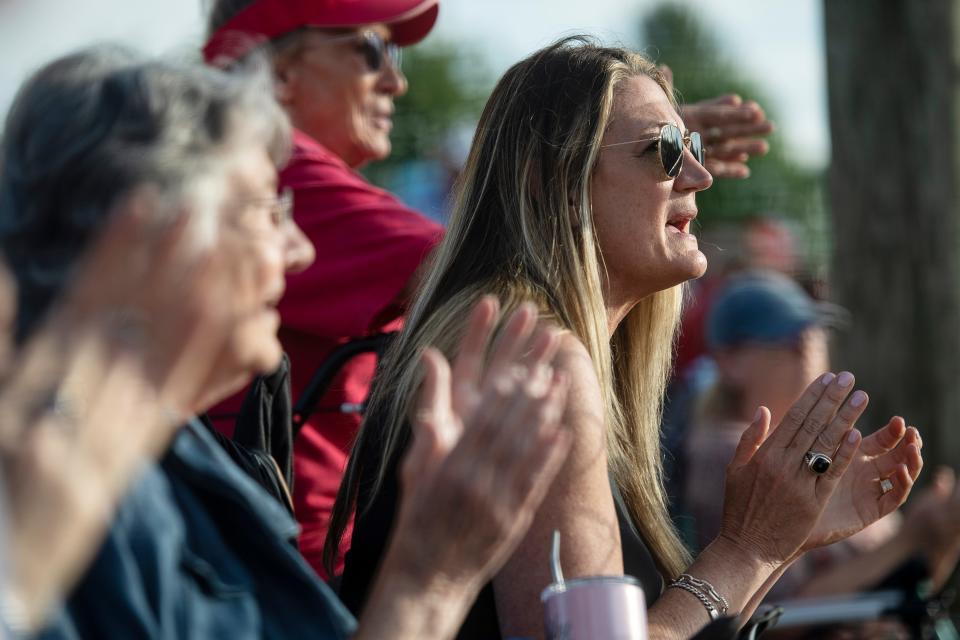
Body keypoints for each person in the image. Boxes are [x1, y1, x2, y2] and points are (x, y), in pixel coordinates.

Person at [330, 37, 924, 640]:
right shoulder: (541, 359)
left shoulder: (512, 341)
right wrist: (748, 547)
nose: (699, 173)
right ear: (553, 181)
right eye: (663, 150)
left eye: (690, 145)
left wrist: (778, 541)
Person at [1, 45, 571, 640]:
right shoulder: (61, 483)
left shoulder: (162, 454)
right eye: (268, 211)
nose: (298, 250)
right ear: (152, 236)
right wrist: (429, 578)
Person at [201, 0, 778, 580]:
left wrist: (639, 146)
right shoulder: (274, 168)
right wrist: (600, 152)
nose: (395, 79)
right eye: (370, 49)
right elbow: (495, 248)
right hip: (289, 586)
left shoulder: (252, 168)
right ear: (276, 68)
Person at [683, 271, 959, 606]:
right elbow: (770, 617)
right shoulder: (726, 455)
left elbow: (905, 595)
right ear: (731, 361)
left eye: (818, 336)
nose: (813, 352)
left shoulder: (816, 451)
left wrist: (939, 541)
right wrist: (911, 541)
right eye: (794, 342)